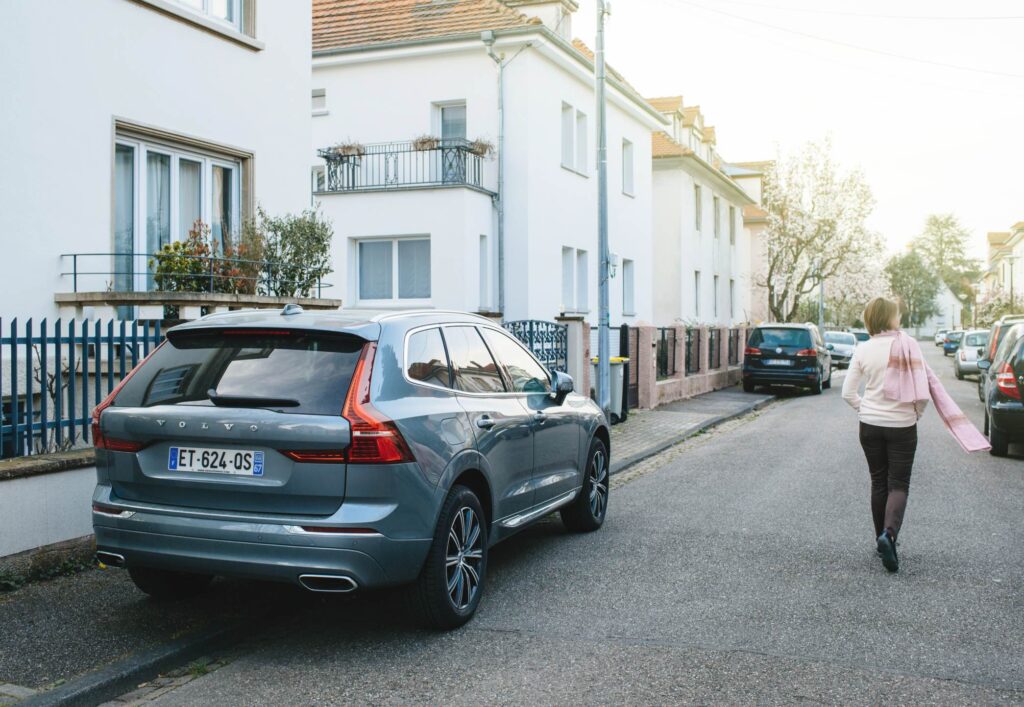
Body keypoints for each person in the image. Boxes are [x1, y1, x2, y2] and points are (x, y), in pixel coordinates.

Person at [842, 297, 989, 573]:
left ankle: (880, 541)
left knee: (878, 482)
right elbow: (922, 392)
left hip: (870, 425)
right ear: (889, 317)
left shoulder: (863, 349)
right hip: (902, 426)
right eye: (897, 314)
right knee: (898, 483)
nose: (900, 319)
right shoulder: (909, 346)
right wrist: (914, 414)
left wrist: (867, 410)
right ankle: (889, 535)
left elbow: (847, 393)